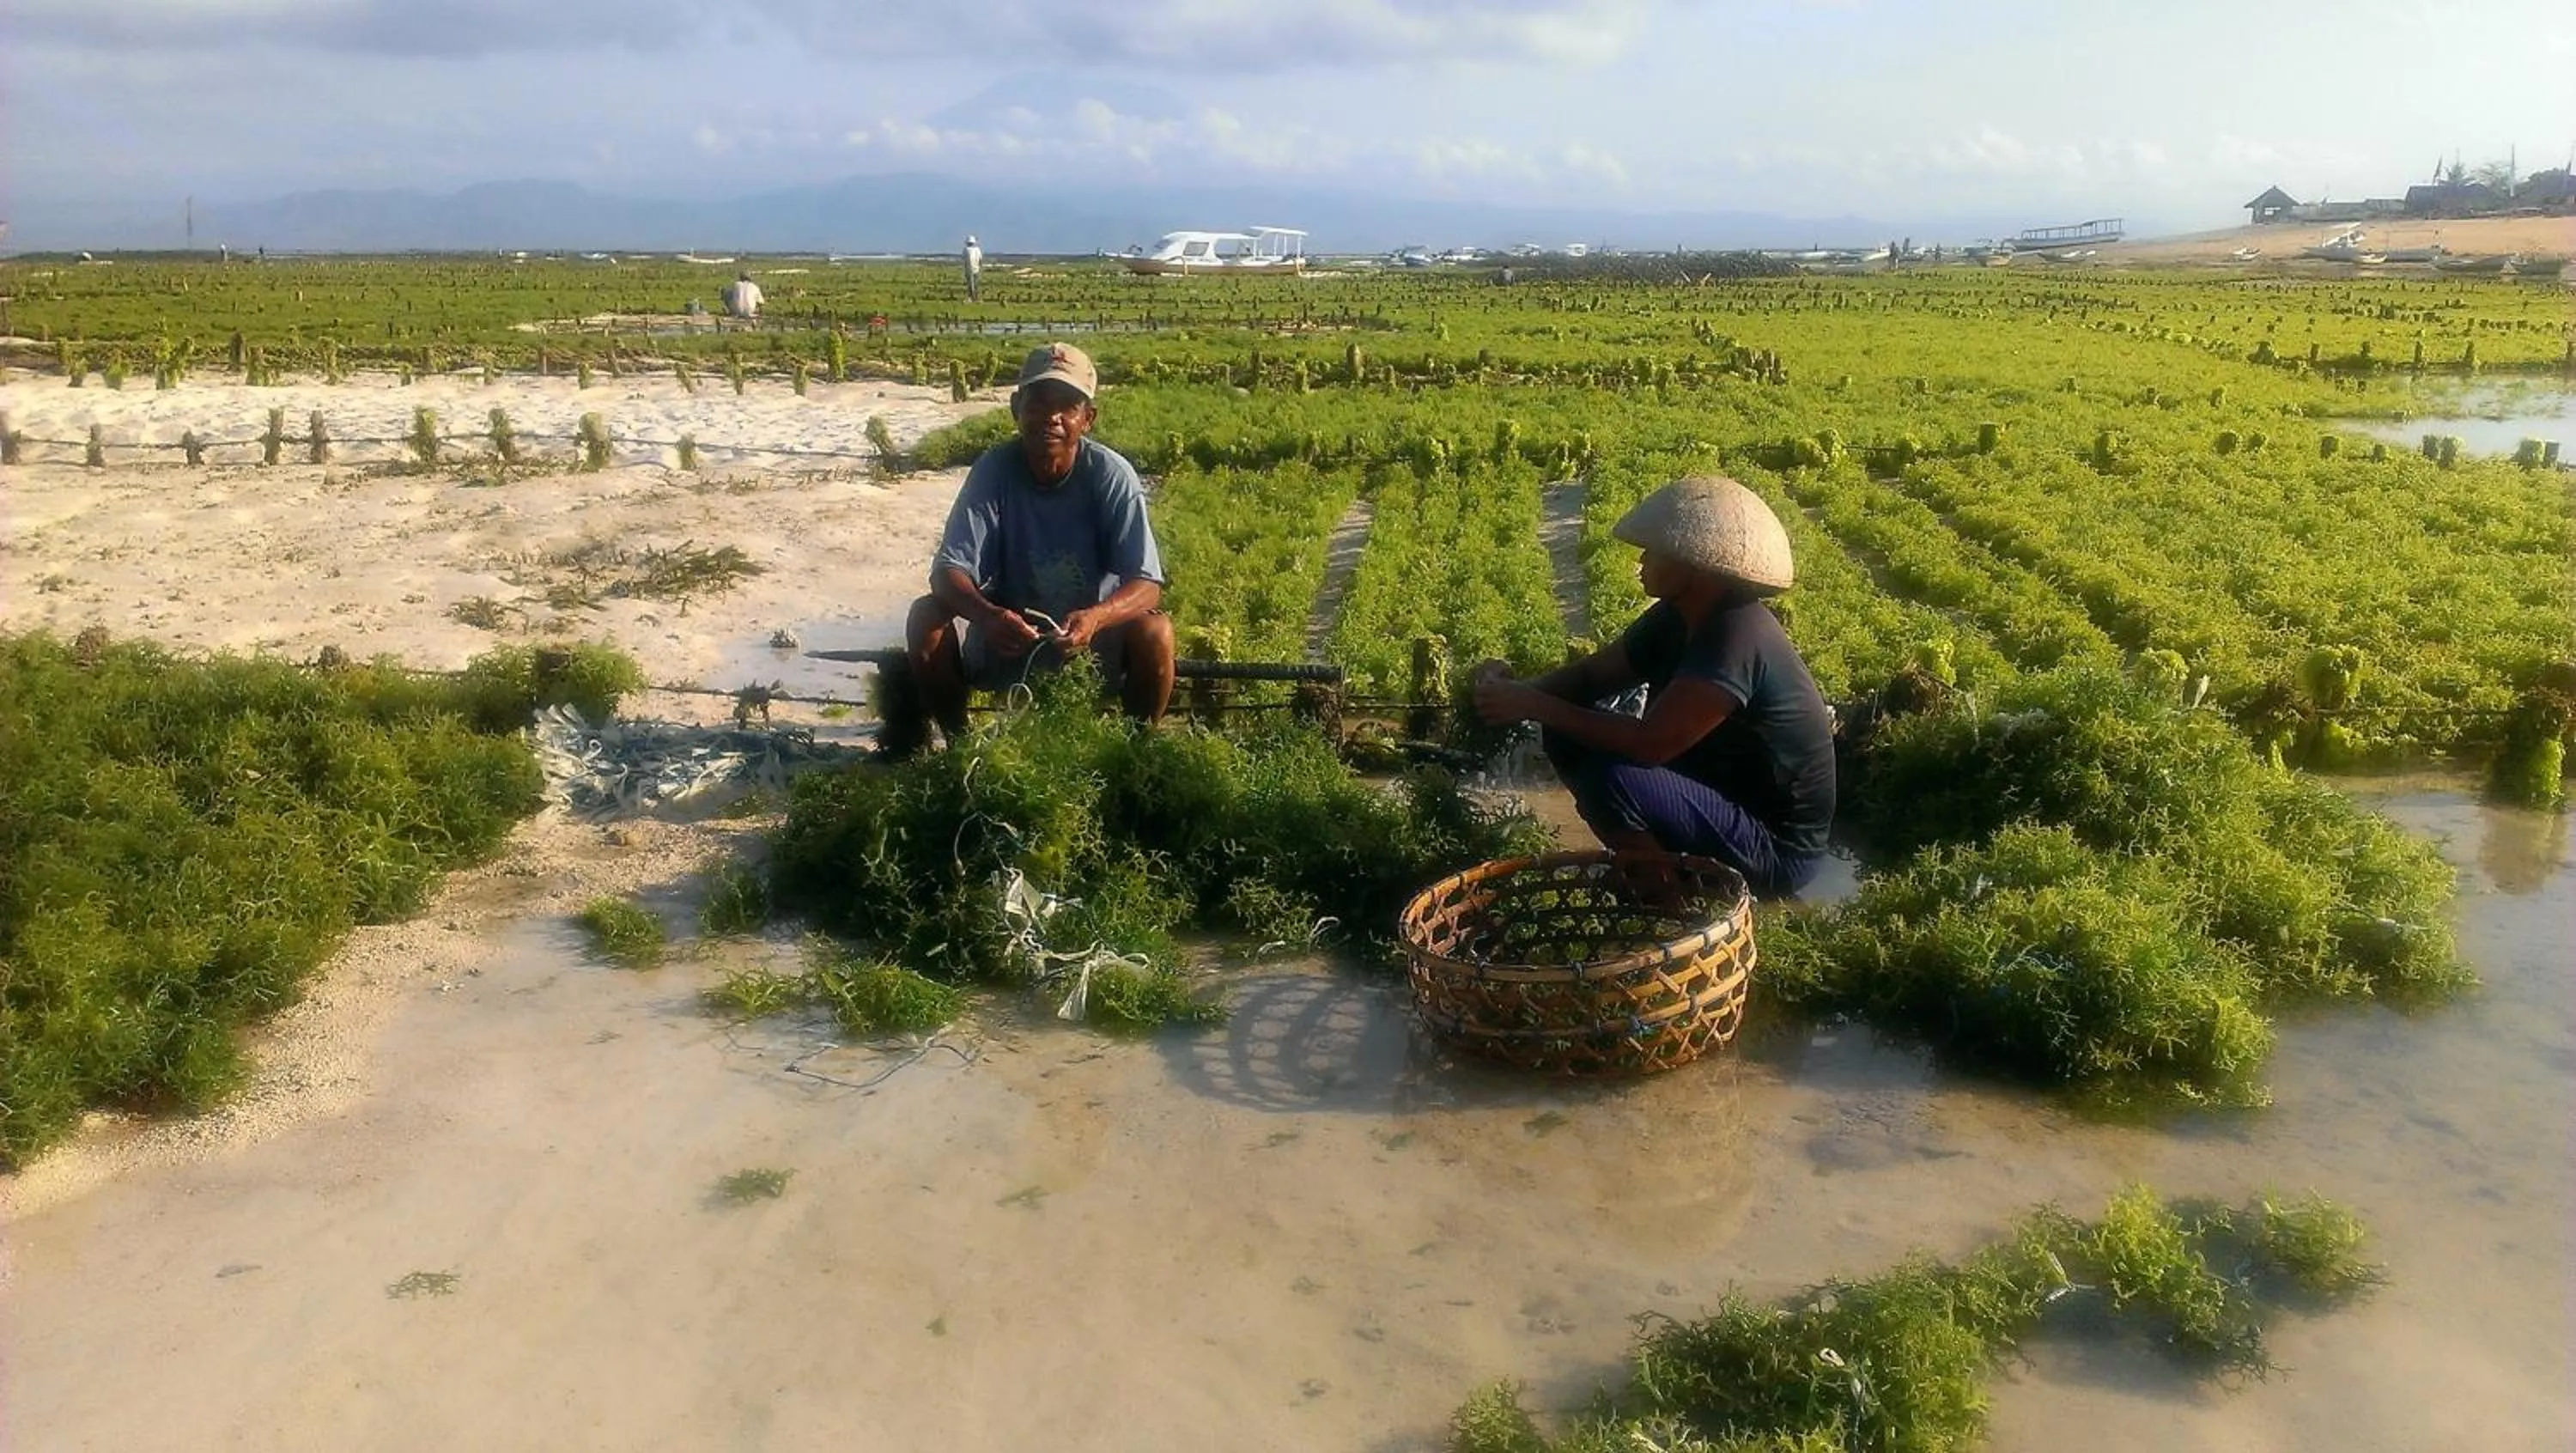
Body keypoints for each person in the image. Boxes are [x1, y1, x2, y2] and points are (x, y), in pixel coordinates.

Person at [1471, 476, 1834, 898]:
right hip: (1719, 801)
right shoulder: (1675, 618)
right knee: (1568, 732)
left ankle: (1669, 898)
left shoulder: (1735, 636)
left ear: (1697, 568)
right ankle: (1656, 865)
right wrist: (1518, 692)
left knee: (1613, 779)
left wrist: (1536, 705)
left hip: (1775, 850)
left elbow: (1650, 746)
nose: (1641, 562)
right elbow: (1590, 677)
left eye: (1655, 553)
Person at [891, 342, 1176, 753]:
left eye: (1067, 406)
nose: (1051, 417)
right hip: (1009, 642)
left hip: (1089, 647)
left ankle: (1133, 756)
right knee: (925, 616)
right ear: (1015, 408)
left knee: (1157, 631)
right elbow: (947, 571)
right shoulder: (994, 470)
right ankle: (960, 748)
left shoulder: (1111, 476)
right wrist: (987, 617)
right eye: (1039, 402)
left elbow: (1147, 584)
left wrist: (1096, 618)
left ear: (1088, 419)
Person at [962, 234, 984, 303]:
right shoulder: (978, 250)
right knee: (976, 284)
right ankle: (976, 297)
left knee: (970, 285)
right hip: (976, 269)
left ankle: (971, 297)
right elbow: (980, 260)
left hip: (968, 269)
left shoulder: (965, 250)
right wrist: (980, 269)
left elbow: (964, 259)